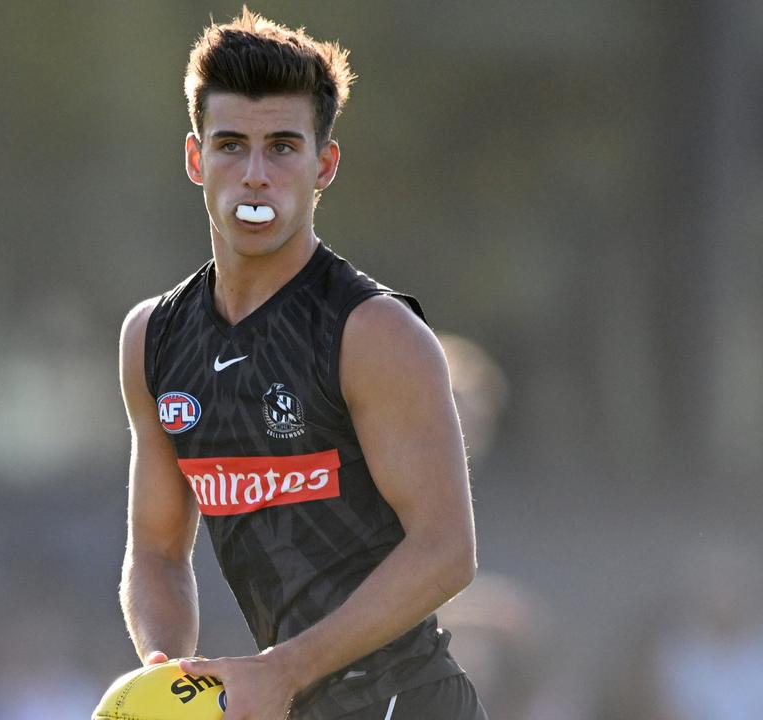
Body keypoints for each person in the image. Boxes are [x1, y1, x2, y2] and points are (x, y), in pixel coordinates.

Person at [116, 9, 485, 719]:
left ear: (324, 165)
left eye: (282, 147)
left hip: (408, 702)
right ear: (196, 160)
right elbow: (157, 552)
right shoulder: (152, 339)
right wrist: (167, 676)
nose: (255, 175)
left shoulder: (375, 332)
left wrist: (280, 672)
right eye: (231, 146)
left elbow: (446, 552)